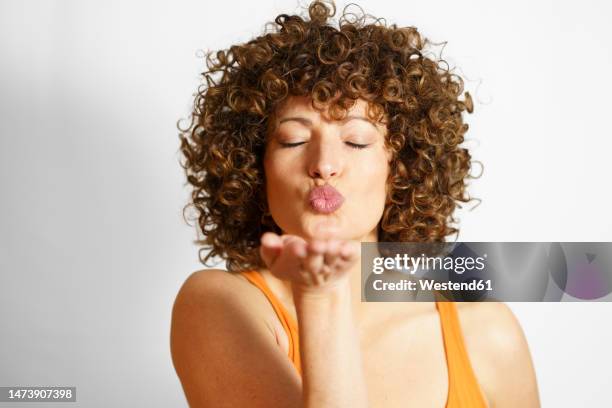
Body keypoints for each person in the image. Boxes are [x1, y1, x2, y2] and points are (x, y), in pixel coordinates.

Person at [170, 1, 540, 406]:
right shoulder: (220, 305)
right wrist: (320, 298)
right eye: (294, 140)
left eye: (356, 141)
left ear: (399, 168)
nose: (324, 165)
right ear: (255, 167)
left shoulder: (487, 333)